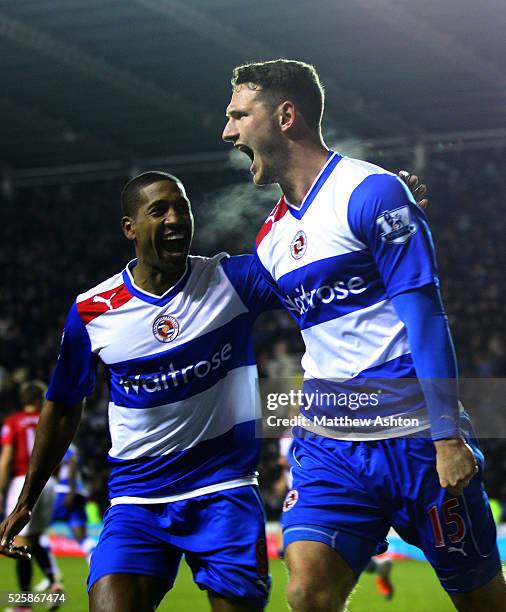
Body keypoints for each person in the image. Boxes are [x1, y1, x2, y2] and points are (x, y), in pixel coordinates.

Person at [222, 59, 506, 611]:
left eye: (238, 114)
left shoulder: (369, 192)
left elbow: (426, 318)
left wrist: (447, 437)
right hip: (330, 443)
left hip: (415, 438)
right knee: (307, 593)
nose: (227, 130)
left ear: (286, 116)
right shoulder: (270, 238)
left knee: (482, 603)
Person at [0, 172, 279, 612]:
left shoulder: (232, 280)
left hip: (224, 491)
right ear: (130, 227)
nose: (175, 219)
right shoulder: (92, 311)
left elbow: (316, 268)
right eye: (159, 210)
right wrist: (26, 501)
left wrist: (381, 221)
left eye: (181, 207)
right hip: (138, 500)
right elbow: (63, 408)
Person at [0, 381, 63, 609]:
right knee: (34, 540)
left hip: (22, 481)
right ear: (39, 400)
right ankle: (55, 585)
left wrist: (0, 489)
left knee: (18, 542)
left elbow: (6, 459)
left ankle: (24, 604)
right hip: (49, 482)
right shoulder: (49, 419)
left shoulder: (13, 422)